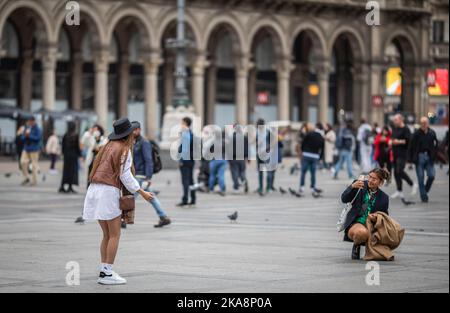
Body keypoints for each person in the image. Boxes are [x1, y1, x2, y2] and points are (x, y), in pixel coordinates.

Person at [83, 118, 153, 285]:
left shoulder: (107, 146)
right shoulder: (124, 149)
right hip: (108, 192)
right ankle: (107, 273)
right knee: (115, 234)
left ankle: (104, 270)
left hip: (95, 189)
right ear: (128, 135)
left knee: (106, 234)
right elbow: (125, 176)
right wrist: (142, 192)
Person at [341, 168, 390, 260]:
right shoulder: (359, 185)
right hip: (356, 223)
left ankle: (372, 249)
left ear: (380, 182)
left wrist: (376, 217)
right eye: (369, 177)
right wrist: (352, 187)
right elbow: (344, 199)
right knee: (362, 233)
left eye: (374, 179)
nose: (370, 180)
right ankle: (356, 245)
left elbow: (384, 217)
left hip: (372, 226)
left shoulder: (384, 198)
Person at [132, 121, 171, 227]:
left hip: (141, 175)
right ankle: (163, 216)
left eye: (134, 130)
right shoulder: (134, 142)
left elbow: (149, 160)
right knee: (151, 197)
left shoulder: (144, 142)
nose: (132, 132)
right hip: (136, 174)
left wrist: (148, 177)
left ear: (139, 130)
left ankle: (122, 219)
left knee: (130, 197)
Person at [408, 117, 439, 203]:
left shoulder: (432, 133)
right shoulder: (416, 134)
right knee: (420, 177)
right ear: (420, 124)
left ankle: (425, 190)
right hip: (419, 157)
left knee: (431, 175)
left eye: (425, 122)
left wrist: (434, 155)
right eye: (422, 123)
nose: (424, 124)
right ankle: (423, 196)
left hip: (429, 157)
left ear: (428, 123)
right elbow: (411, 146)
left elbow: (436, 145)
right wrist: (410, 159)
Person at [390, 114, 417, 200]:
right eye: (394, 120)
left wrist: (398, 142)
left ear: (401, 120)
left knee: (400, 170)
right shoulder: (395, 129)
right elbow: (393, 138)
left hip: (403, 153)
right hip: (395, 153)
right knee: (396, 172)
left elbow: (408, 140)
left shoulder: (406, 129)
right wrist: (391, 142)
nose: (394, 121)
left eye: (395, 120)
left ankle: (412, 184)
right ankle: (399, 190)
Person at [299, 122, 324, 197]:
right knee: (313, 173)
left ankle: (302, 187)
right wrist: (320, 157)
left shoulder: (309, 134)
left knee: (303, 172)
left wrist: (303, 151)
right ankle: (313, 188)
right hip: (315, 156)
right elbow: (322, 148)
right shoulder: (320, 136)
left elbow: (303, 143)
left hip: (306, 154)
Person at [177, 117, 196, 207]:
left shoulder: (185, 133)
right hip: (191, 160)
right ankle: (193, 199)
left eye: (182, 122)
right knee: (191, 180)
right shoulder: (191, 133)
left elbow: (185, 148)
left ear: (185, 123)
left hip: (186, 160)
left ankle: (185, 199)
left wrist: (181, 160)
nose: (181, 124)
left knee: (185, 180)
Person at [59, 121, 81, 193]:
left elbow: (63, 146)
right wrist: (79, 154)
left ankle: (62, 186)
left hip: (66, 155)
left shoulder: (65, 135)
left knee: (66, 171)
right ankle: (70, 187)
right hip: (73, 155)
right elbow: (77, 147)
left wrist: (63, 153)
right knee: (72, 171)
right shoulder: (75, 135)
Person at [19, 116, 42, 186]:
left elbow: (38, 138)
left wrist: (29, 136)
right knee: (22, 162)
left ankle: (34, 181)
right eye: (29, 121)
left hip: (34, 149)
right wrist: (25, 136)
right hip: (26, 148)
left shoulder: (38, 129)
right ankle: (27, 177)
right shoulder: (27, 127)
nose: (30, 122)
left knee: (34, 165)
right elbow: (22, 137)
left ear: (34, 121)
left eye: (31, 121)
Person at [206, 128, 227, 196]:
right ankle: (222, 189)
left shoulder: (213, 142)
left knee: (212, 175)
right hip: (223, 160)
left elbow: (208, 152)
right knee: (221, 175)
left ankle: (211, 189)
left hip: (214, 160)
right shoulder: (224, 142)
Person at [228, 124, 249, 194]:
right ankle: (244, 180)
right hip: (242, 158)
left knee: (235, 172)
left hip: (233, 158)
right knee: (242, 171)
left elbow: (229, 149)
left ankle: (236, 187)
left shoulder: (231, 138)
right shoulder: (245, 137)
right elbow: (247, 148)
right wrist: (248, 157)